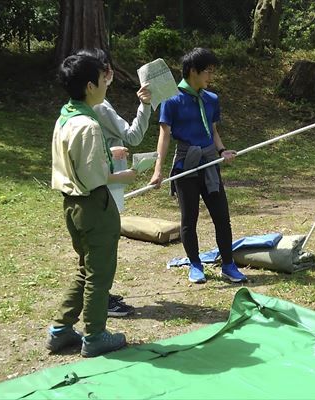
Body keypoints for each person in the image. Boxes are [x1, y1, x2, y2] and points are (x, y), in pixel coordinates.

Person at [47, 54, 137, 357]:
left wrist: (107, 152)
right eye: (103, 78)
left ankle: (60, 330)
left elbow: (76, 159)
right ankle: (95, 335)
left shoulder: (66, 116)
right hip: (94, 206)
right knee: (99, 276)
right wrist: (121, 172)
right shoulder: (89, 125)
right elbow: (95, 176)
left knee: (86, 270)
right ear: (89, 85)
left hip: (71, 206)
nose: (106, 82)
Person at [149, 47, 247, 284]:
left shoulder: (211, 99)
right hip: (187, 165)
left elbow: (212, 131)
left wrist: (222, 150)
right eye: (207, 72)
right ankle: (195, 264)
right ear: (193, 71)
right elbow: (164, 136)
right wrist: (158, 169)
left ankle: (228, 264)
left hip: (210, 162)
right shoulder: (171, 100)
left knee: (222, 216)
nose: (210, 77)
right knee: (188, 218)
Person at [76, 48, 152, 318]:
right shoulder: (98, 105)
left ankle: (100, 295)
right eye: (103, 69)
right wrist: (146, 104)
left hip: (101, 180)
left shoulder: (82, 107)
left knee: (99, 243)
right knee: (103, 243)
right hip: (103, 183)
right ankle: (101, 301)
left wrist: (109, 152)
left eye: (107, 67)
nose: (109, 74)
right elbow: (132, 136)